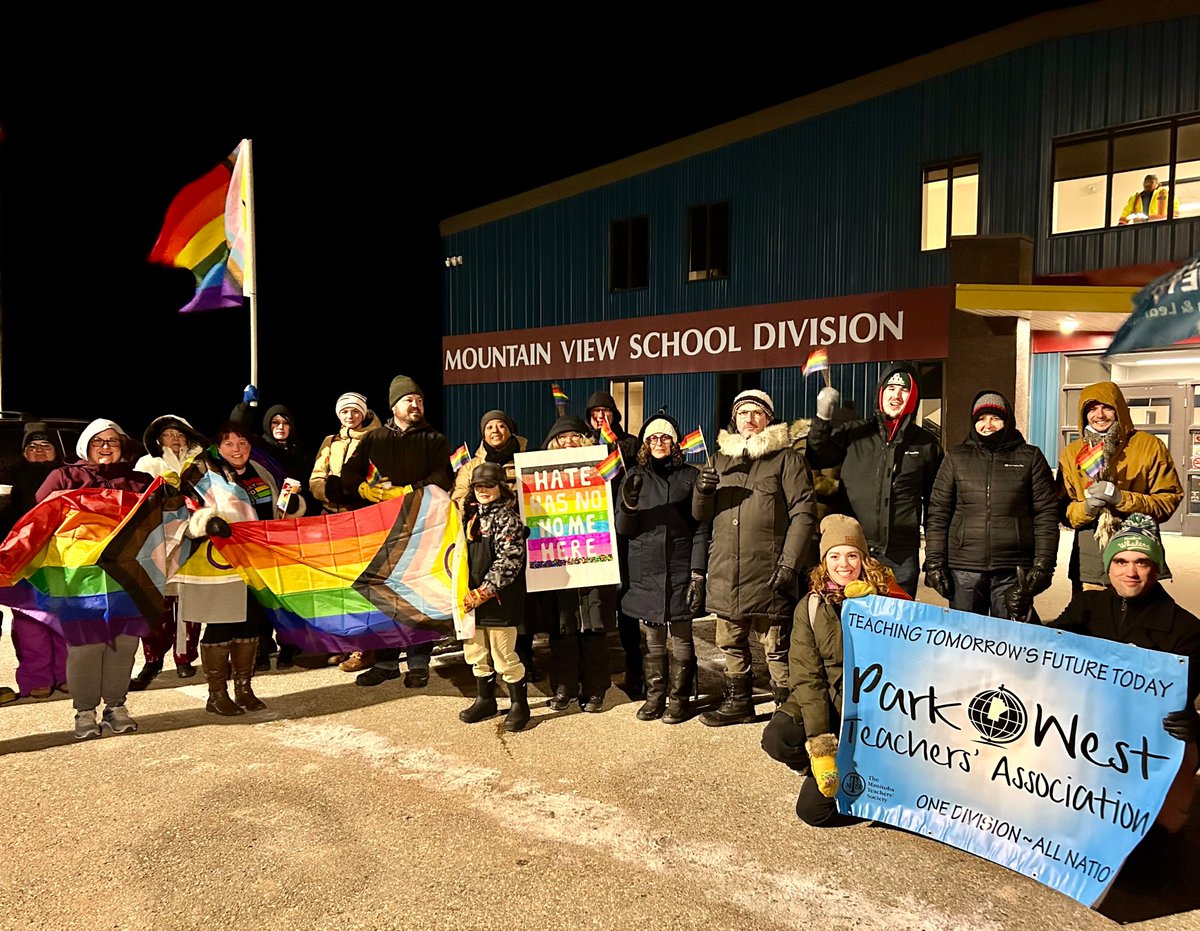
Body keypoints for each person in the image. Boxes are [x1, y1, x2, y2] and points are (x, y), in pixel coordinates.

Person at [1049, 515, 1200, 851]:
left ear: (1157, 569)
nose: (1130, 571)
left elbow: (1184, 697)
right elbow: (1047, 647)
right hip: (1084, 727)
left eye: (1142, 562)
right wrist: (1026, 617)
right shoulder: (1087, 606)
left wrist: (1191, 723)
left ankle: (1160, 845)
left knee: (1182, 758)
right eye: (1120, 561)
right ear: (1108, 567)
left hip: (1145, 738)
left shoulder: (1186, 629)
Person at [762, 514, 911, 826]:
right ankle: (815, 765)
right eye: (834, 556)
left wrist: (878, 610)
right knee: (777, 737)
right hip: (829, 705)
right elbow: (806, 677)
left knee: (814, 811)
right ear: (824, 561)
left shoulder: (888, 596)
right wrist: (821, 745)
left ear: (863, 558)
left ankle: (876, 788)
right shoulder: (811, 606)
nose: (844, 564)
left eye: (852, 555)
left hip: (872, 716)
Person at [693, 389, 816, 726]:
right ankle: (740, 703)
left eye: (756, 412)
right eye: (743, 412)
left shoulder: (786, 459)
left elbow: (804, 514)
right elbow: (702, 515)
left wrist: (790, 562)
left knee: (775, 646)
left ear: (768, 419)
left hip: (768, 571)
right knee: (729, 641)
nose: (749, 419)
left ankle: (787, 711)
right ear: (735, 419)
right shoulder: (719, 459)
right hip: (725, 570)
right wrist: (702, 491)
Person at [36, 419, 153, 739]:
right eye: (98, 441)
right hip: (80, 581)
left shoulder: (139, 482)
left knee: (123, 646)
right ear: (85, 445)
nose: (105, 446)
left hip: (127, 579)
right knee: (86, 646)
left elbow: (161, 521)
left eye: (113, 441)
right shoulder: (64, 477)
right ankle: (85, 711)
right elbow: (40, 519)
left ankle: (116, 706)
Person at [341, 375, 454, 687]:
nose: (416, 404)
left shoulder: (434, 439)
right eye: (409, 400)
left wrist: (409, 490)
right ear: (394, 406)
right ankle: (387, 662)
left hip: (421, 528)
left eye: (419, 400)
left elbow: (443, 476)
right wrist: (363, 488)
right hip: (380, 529)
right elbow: (347, 474)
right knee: (381, 593)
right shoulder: (374, 440)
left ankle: (418, 662)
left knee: (418, 594)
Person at [190, 421, 304, 716]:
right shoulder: (204, 474)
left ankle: (244, 688)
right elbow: (185, 511)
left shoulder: (261, 472)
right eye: (229, 443)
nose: (237, 449)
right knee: (220, 623)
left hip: (258, 558)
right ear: (218, 447)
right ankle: (216, 694)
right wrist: (206, 522)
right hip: (221, 561)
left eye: (242, 443)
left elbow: (278, 507)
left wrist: (292, 508)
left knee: (250, 623)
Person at [807, 363, 942, 596]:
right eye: (890, 388)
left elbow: (936, 503)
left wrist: (935, 554)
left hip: (900, 555)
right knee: (850, 624)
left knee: (896, 626)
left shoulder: (926, 444)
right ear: (881, 392)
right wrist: (822, 418)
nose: (896, 395)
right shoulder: (856, 433)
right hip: (853, 551)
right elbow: (817, 456)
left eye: (904, 390)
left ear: (913, 397)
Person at [923, 391, 1058, 619]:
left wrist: (1043, 565)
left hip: (1013, 571)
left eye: (995, 418)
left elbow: (1046, 515)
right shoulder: (956, 458)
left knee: (1010, 643)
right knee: (965, 641)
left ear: (1007, 421)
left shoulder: (1030, 457)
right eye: (981, 419)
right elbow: (938, 513)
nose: (988, 425)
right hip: (965, 569)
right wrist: (935, 562)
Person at [614, 412, 709, 723]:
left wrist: (697, 573)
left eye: (665, 437)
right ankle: (654, 697)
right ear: (645, 443)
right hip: (645, 568)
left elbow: (701, 527)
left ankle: (679, 699)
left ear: (674, 442)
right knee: (652, 634)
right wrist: (628, 503)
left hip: (681, 566)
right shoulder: (634, 476)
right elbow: (623, 528)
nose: (659, 442)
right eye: (653, 438)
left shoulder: (690, 476)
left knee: (681, 633)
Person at [1056, 382, 1183, 593]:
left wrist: (1121, 499)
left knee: (1138, 619)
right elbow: (1062, 507)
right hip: (1090, 553)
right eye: (1092, 409)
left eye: (1107, 407)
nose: (1100, 415)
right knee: (1091, 618)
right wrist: (1086, 508)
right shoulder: (1073, 452)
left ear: (1119, 409)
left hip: (1138, 546)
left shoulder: (1148, 445)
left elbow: (1168, 500)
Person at [449, 409, 542, 678]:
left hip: (521, 536)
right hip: (482, 535)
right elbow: (458, 498)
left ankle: (524, 662)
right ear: (483, 433)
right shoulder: (471, 465)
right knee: (481, 627)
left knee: (517, 612)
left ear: (510, 430)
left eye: (501, 425)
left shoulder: (527, 458)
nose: (496, 431)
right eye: (490, 427)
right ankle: (486, 689)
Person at [542, 414, 616, 713]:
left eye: (575, 436)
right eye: (562, 437)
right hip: (557, 562)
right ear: (553, 444)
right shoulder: (542, 475)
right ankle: (564, 687)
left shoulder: (600, 469)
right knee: (562, 627)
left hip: (594, 558)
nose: (569, 442)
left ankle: (596, 687)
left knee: (594, 626)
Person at [128, 414, 206, 689]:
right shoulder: (147, 463)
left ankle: (184, 657)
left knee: (188, 600)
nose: (174, 439)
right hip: (157, 539)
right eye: (168, 434)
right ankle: (153, 659)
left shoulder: (200, 461)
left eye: (179, 434)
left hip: (191, 537)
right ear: (158, 439)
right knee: (156, 600)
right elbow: (139, 501)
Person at [458, 462, 530, 732]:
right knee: (476, 652)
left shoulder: (507, 518)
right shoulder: (469, 517)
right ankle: (485, 699)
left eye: (489, 485)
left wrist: (484, 592)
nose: (483, 490)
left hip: (498, 601)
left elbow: (509, 562)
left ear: (500, 487)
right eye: (478, 486)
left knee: (502, 654)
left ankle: (519, 704)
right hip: (470, 601)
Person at [0, 423, 68, 702]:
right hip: (22, 557)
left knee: (63, 618)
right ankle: (36, 677)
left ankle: (65, 674)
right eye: (32, 447)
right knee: (29, 621)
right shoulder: (10, 476)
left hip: (62, 557)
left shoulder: (69, 475)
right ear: (24, 452)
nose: (39, 452)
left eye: (46, 446)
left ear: (56, 451)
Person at [584, 390, 643, 698]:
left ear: (614, 414)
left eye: (605, 411)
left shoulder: (628, 442)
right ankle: (592, 671)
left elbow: (634, 459)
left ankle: (635, 669)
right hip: (590, 533)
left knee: (626, 603)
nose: (600, 417)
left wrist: (614, 443)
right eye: (595, 413)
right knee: (593, 603)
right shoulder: (580, 444)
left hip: (621, 532)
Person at [310, 391, 382, 516]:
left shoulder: (374, 441)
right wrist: (327, 492)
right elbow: (316, 479)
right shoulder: (331, 441)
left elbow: (379, 479)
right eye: (344, 411)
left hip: (362, 513)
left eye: (355, 411)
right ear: (338, 415)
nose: (350, 416)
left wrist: (358, 493)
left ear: (363, 414)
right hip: (329, 513)